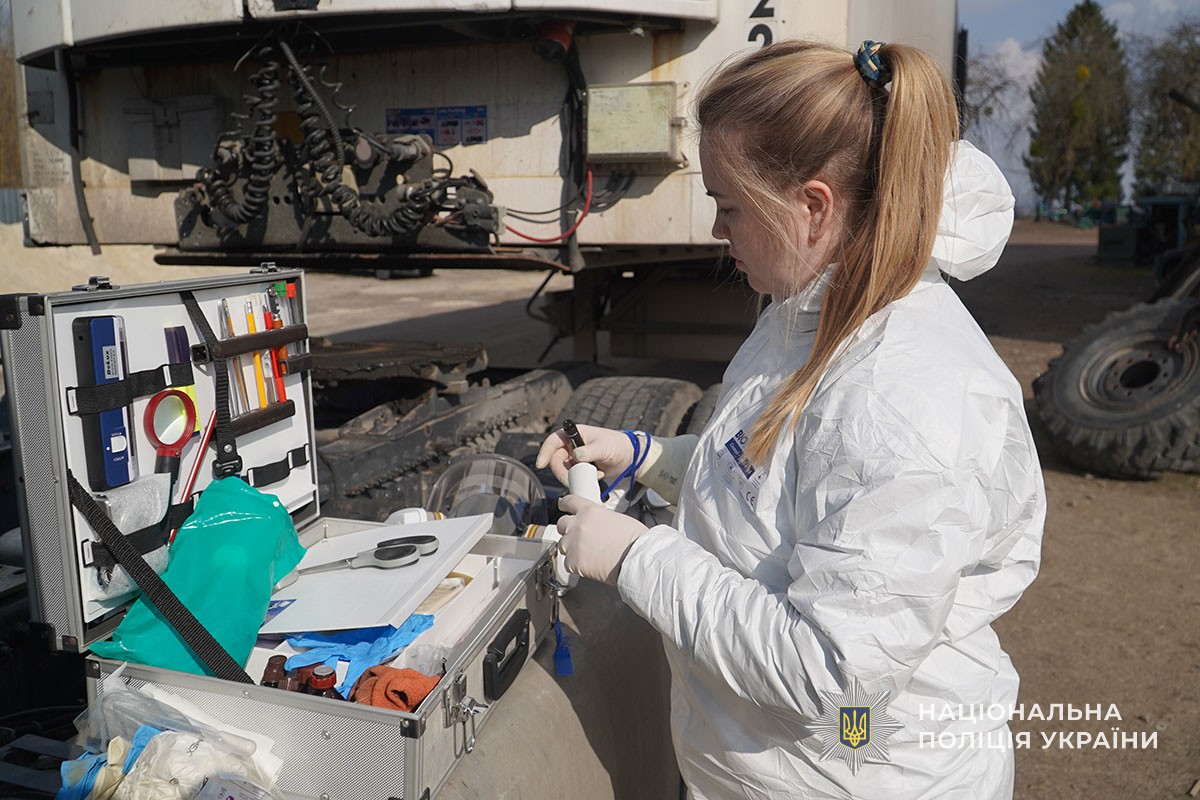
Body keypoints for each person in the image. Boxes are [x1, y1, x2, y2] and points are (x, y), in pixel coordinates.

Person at [536, 39, 1045, 800]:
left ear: (812, 207)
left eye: (728, 205)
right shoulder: (810, 312)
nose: (717, 230)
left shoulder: (903, 400)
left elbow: (830, 668)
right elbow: (788, 483)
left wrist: (636, 556)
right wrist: (650, 457)